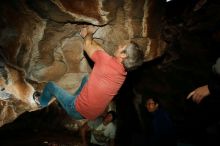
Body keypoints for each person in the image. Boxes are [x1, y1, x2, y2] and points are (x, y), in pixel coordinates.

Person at [33, 25, 144, 120]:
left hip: (75, 110)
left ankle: (41, 102)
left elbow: (87, 46)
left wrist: (89, 33)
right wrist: (88, 37)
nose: (119, 45)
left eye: (122, 46)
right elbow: (100, 52)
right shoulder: (122, 73)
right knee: (87, 78)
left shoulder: (105, 62)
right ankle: (66, 102)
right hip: (92, 114)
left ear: (123, 55)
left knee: (51, 86)